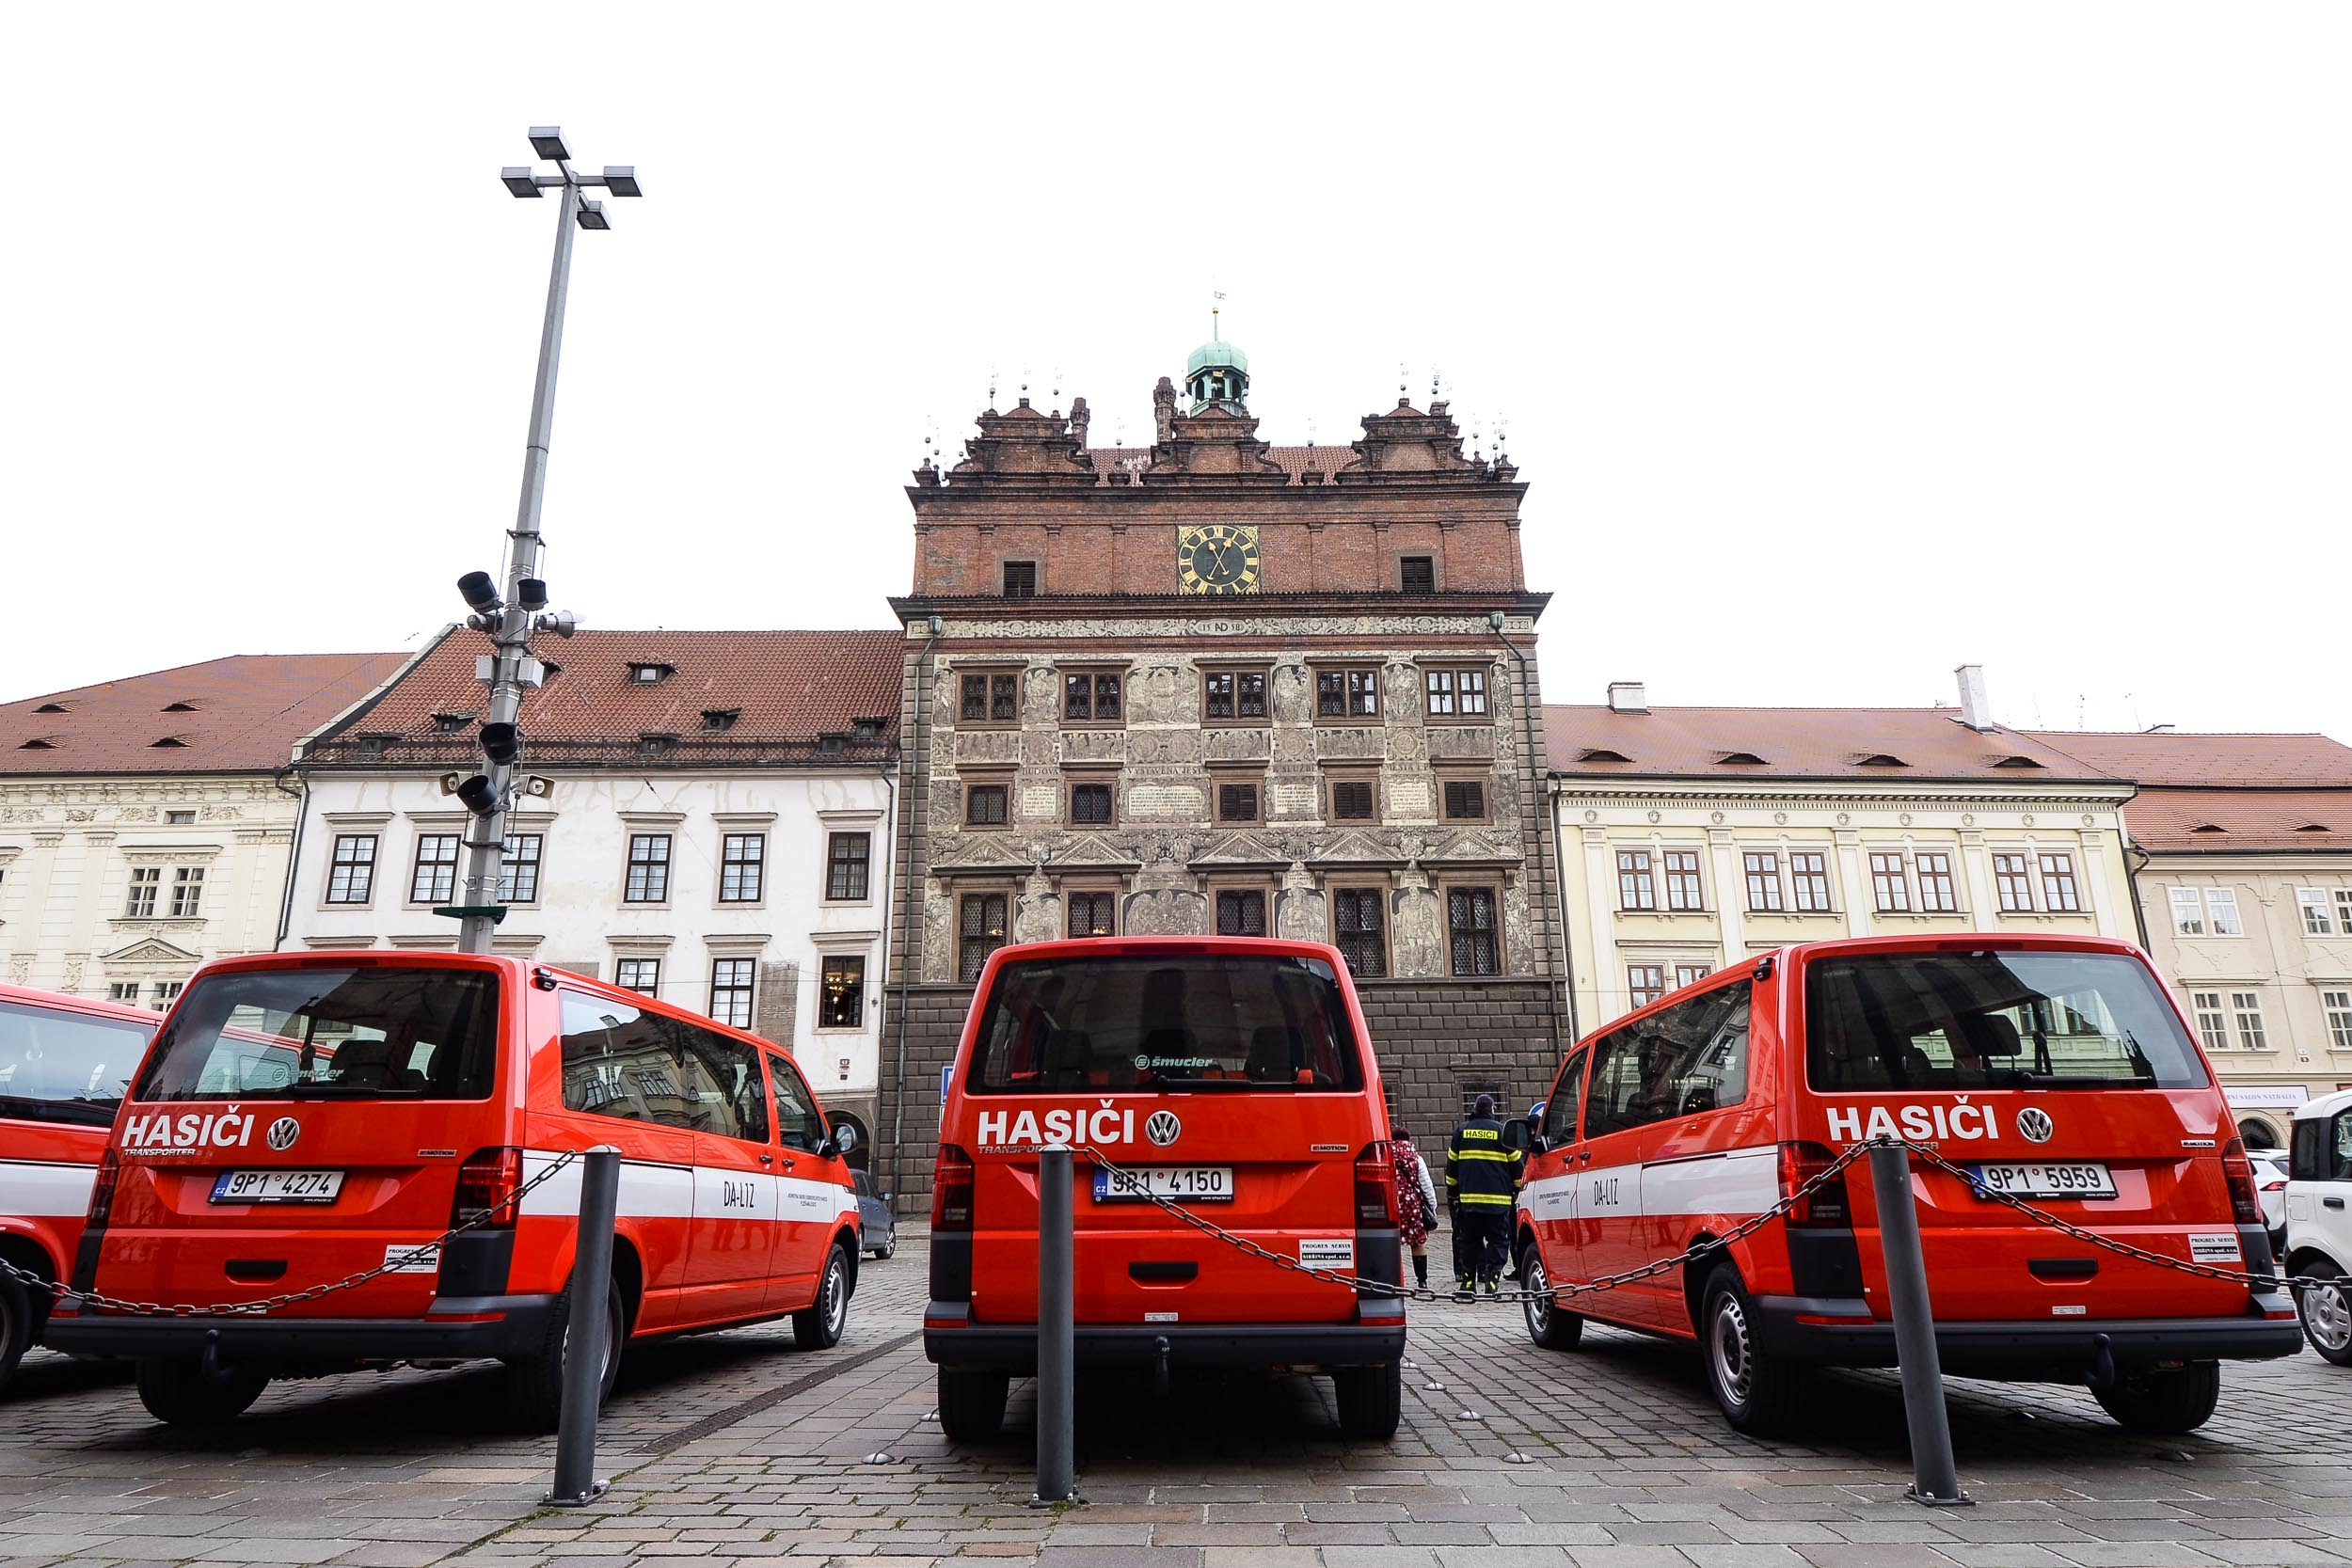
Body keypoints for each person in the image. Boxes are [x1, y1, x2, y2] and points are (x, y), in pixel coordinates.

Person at [1445, 1093, 1524, 1297]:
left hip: (1469, 1201)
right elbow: (1517, 1167)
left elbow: (1451, 1168)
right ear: (1493, 1110)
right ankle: (1493, 1280)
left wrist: (1453, 1194)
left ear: (1475, 1109)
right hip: (1498, 1202)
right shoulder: (1502, 1132)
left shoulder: (1461, 1132)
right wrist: (1517, 1190)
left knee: (1470, 1241)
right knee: (1498, 1241)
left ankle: (1469, 1283)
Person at [1391, 1129, 1439, 1289]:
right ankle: (1422, 1280)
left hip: (1391, 1204)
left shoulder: (1386, 1157)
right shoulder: (1416, 1158)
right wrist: (1432, 1207)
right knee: (1417, 1242)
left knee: (1392, 1241)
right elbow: (1426, 1185)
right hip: (1413, 1205)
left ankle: (1393, 1278)